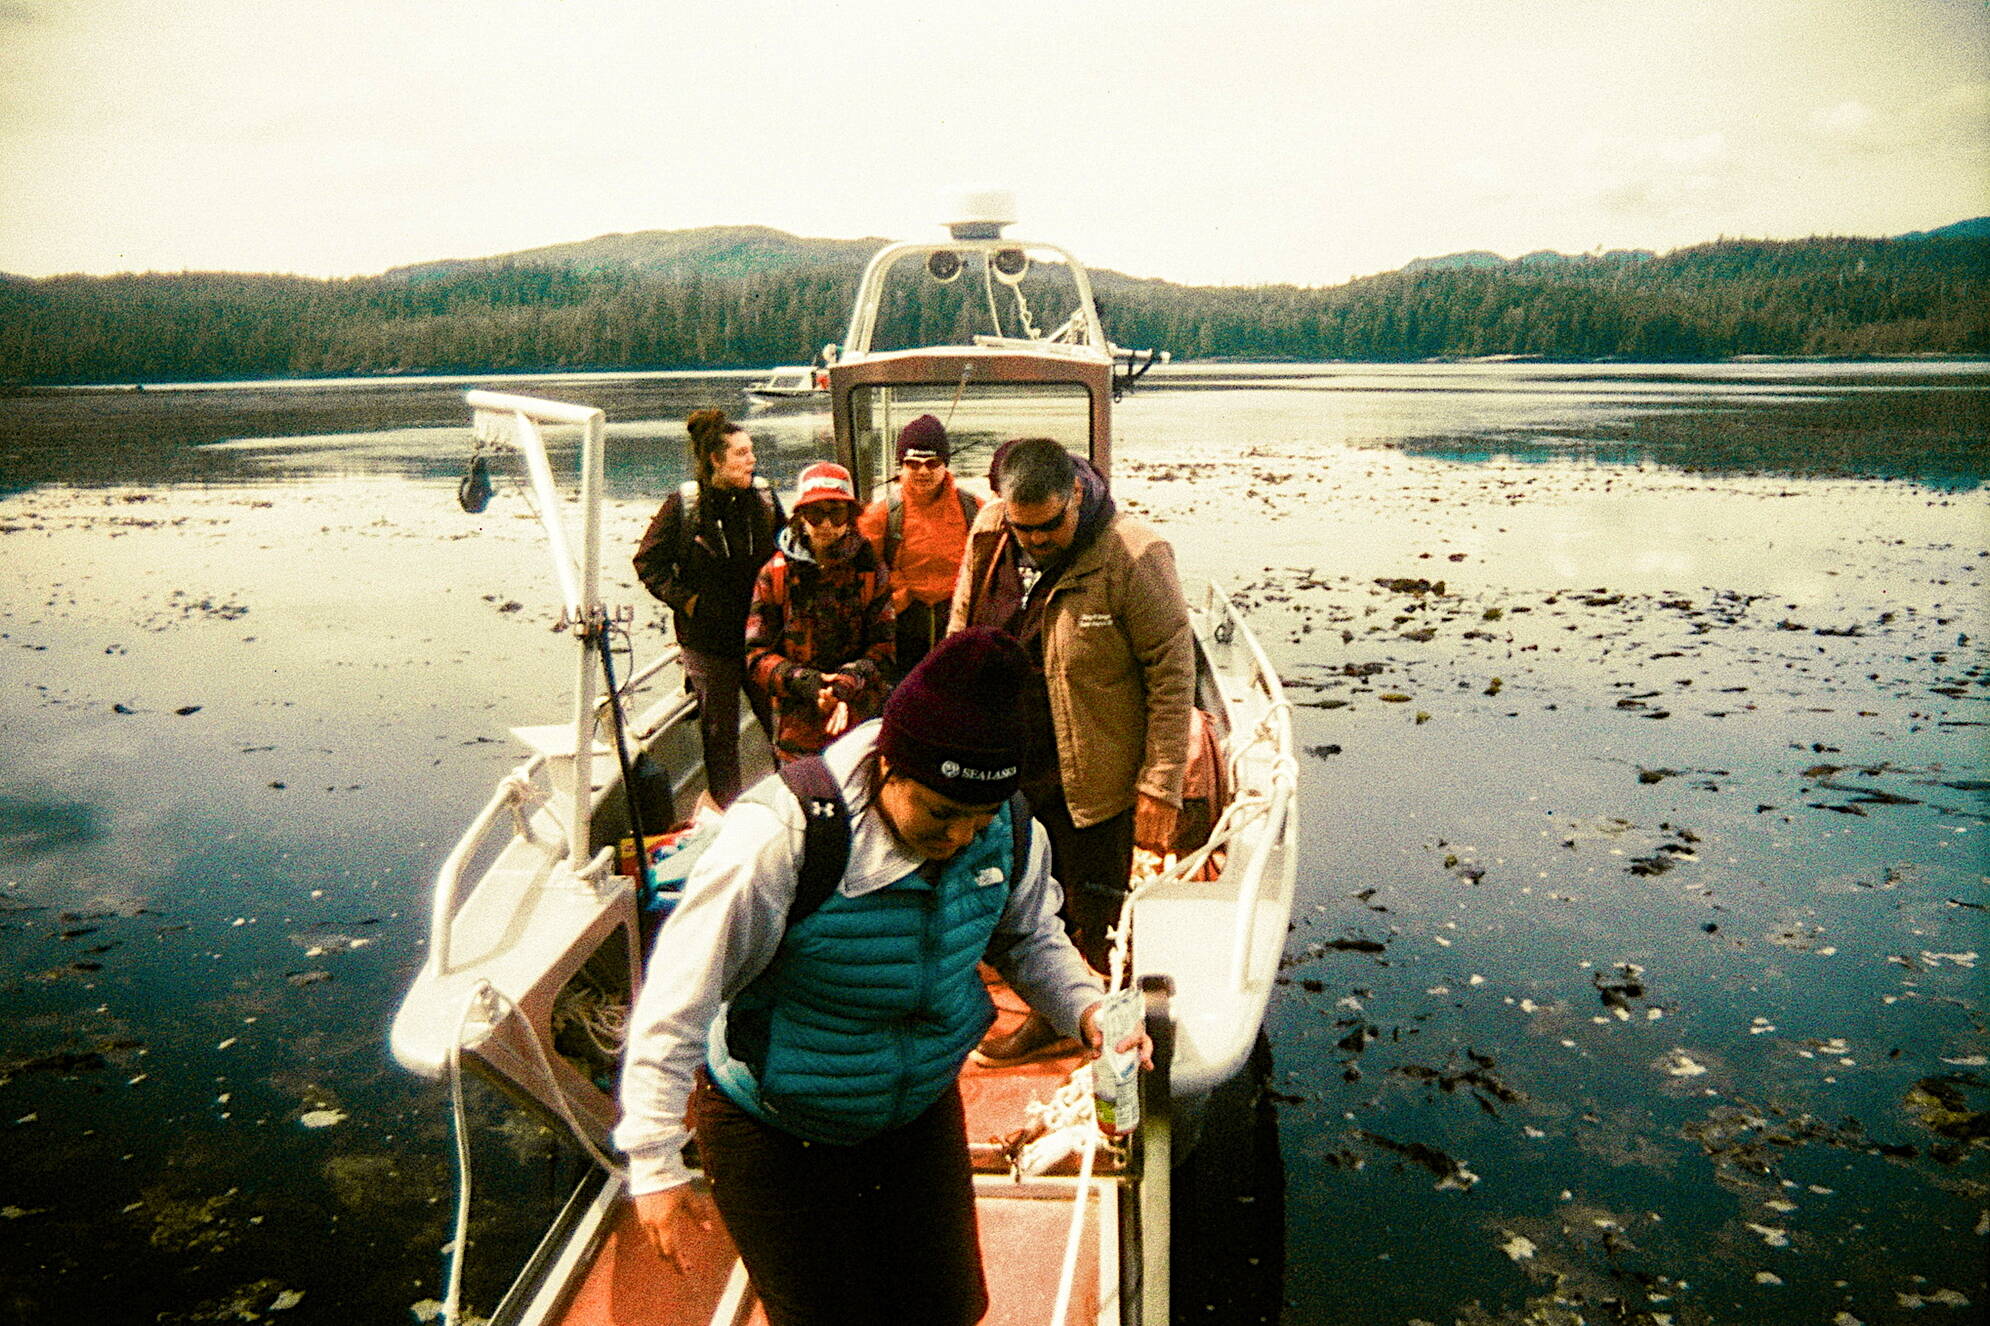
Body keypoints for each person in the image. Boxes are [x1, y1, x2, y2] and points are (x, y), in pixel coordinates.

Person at [614, 629, 1146, 1326]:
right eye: (941, 812)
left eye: (979, 818)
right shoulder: (780, 839)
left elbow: (1028, 938)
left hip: (914, 1112)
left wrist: (1087, 1012)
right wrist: (654, 1159)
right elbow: (677, 998)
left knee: (947, 1310)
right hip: (777, 1127)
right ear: (889, 766)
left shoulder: (1011, 832)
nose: (959, 837)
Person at [951, 437, 1194, 1062]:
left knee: (1088, 902)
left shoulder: (1133, 555)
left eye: (1048, 526)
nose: (1033, 540)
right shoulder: (989, 531)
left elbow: (1172, 672)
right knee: (1003, 883)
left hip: (1090, 771)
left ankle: (1068, 1018)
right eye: (1020, 527)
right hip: (1005, 760)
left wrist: (1160, 784)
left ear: (1077, 495)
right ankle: (1027, 990)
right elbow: (959, 632)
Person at [633, 409, 785, 808]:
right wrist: (689, 601)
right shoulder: (685, 506)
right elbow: (648, 562)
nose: (751, 459)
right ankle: (729, 810)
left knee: (780, 725)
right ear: (716, 460)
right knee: (721, 737)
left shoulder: (764, 499)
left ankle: (791, 799)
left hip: (761, 639)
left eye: (751, 451)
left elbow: (789, 550)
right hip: (708, 642)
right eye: (740, 453)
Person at [745, 462, 895, 764]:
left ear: (850, 517)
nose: (826, 524)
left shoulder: (871, 571)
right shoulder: (774, 574)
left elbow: (884, 650)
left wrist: (844, 686)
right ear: (801, 517)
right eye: (816, 513)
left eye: (836, 513)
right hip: (796, 728)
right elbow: (756, 654)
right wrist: (804, 681)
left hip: (858, 717)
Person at [856, 414, 982, 678]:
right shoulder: (883, 513)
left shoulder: (973, 508)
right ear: (901, 467)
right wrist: (899, 590)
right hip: (905, 624)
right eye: (913, 464)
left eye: (932, 463)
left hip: (958, 618)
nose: (923, 471)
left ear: (945, 465)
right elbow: (865, 566)